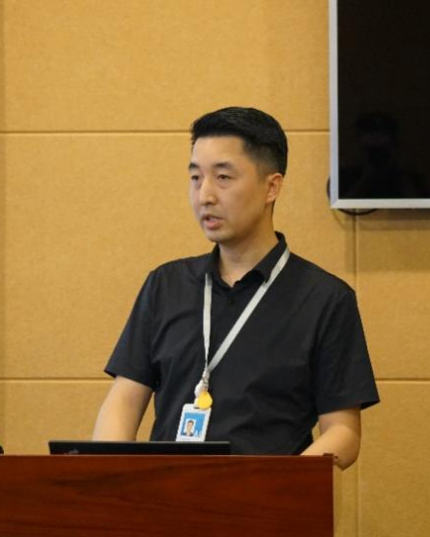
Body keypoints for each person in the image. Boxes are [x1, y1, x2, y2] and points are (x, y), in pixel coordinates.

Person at [94, 106, 379, 470]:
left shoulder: (325, 298)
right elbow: (124, 400)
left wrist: (282, 482)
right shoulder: (166, 285)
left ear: (271, 187)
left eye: (223, 177)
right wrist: (107, 475)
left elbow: (343, 431)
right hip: (164, 497)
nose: (204, 195)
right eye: (196, 177)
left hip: (266, 499)